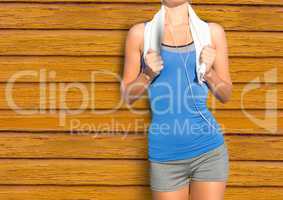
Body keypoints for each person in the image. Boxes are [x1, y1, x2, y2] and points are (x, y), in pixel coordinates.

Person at [120, 0, 233, 199]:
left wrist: (208, 72)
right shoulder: (140, 34)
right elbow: (127, 96)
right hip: (165, 155)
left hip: (209, 151)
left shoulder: (212, 33)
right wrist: (147, 74)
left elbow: (226, 95)